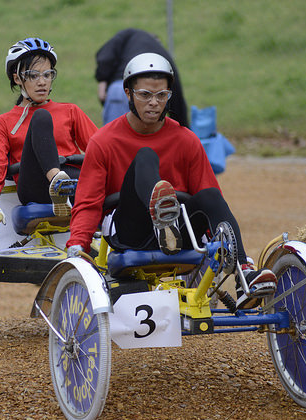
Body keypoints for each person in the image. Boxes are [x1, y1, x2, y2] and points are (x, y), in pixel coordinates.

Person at [67, 53, 276, 310]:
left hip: (181, 232)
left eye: (162, 95)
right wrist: (77, 245)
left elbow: (210, 204)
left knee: (210, 194)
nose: (154, 103)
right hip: (131, 233)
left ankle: (245, 274)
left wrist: (221, 246)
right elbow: (88, 203)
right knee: (145, 157)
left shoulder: (186, 139)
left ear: (169, 95)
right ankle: (160, 218)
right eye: (145, 95)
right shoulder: (104, 141)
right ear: (128, 93)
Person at [0, 37, 98, 233]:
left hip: (73, 181)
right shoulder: (3, 122)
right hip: (35, 186)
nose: (42, 82)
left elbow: (100, 148)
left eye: (47, 74)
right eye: (33, 76)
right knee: (42, 117)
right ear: (17, 78)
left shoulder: (70, 111)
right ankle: (57, 182)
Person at [95, 28, 189, 127]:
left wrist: (102, 80)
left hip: (118, 89)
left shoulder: (131, 34)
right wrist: (183, 127)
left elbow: (106, 54)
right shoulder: (164, 59)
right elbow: (177, 99)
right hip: (127, 89)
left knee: (112, 138)